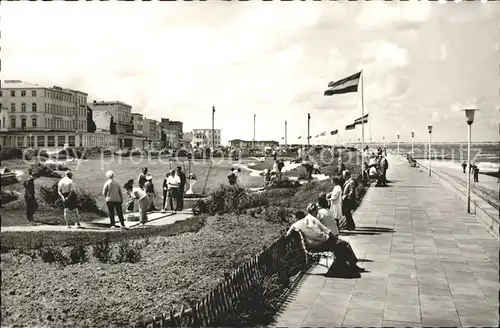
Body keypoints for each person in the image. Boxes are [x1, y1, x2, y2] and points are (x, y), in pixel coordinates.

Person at [286, 206, 364, 273]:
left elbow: (287, 235)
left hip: (312, 245)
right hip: (323, 242)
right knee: (344, 244)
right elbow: (327, 231)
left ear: (297, 218)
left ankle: (345, 266)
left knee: (341, 246)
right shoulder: (312, 219)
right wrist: (336, 239)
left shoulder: (295, 225)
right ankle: (350, 266)